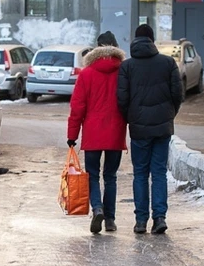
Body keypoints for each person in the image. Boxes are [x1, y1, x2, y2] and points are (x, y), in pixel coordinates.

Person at [116, 24, 183, 234]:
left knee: (140, 174)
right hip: (163, 128)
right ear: (152, 41)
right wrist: (169, 115)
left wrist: (131, 118)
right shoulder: (168, 63)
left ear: (135, 41)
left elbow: (121, 99)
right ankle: (160, 217)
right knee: (159, 173)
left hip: (138, 129)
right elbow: (178, 95)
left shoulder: (127, 67)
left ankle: (141, 221)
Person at [66, 30, 128, 234]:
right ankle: (110, 220)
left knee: (92, 175)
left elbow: (77, 107)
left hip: (92, 133)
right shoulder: (124, 72)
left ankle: (97, 208)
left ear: (96, 48)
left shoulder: (86, 74)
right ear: (116, 47)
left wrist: (72, 135)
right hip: (116, 132)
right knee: (110, 176)